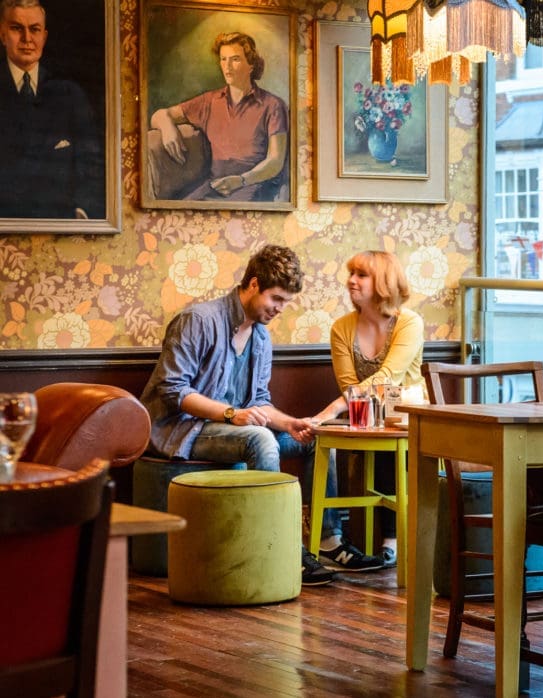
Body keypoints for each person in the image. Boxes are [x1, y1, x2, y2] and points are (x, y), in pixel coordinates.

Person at [139, 245, 381, 587]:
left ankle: (328, 541)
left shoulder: (261, 338)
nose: (280, 309)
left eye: (285, 302)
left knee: (315, 440)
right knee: (260, 439)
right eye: (276, 299)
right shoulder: (199, 320)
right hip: (181, 429)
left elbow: (260, 402)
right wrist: (231, 414)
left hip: (230, 428)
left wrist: (292, 424)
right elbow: (172, 389)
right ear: (253, 285)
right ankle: (285, 551)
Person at [312, 251, 425, 570]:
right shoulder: (341, 328)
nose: (351, 280)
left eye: (362, 275)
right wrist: (350, 405)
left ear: (384, 282)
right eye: (351, 273)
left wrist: (337, 407)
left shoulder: (409, 322)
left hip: (407, 413)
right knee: (324, 442)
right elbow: (348, 384)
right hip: (363, 414)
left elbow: (391, 377)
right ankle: (331, 541)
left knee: (392, 432)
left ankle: (394, 540)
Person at [150, 31, 288, 202]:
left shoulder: (273, 105)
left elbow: (275, 161)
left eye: (235, 59)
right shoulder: (209, 101)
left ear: (251, 65)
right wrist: (167, 127)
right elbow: (160, 115)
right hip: (215, 186)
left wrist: (242, 180)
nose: (227, 66)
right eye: (223, 59)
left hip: (255, 186)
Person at [0, 0, 104, 218]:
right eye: (17, 28)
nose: (27, 39)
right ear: (2, 35)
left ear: (44, 37)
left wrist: (82, 210)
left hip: (59, 225)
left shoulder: (71, 95)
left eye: (34, 30)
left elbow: (92, 162)